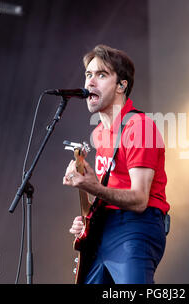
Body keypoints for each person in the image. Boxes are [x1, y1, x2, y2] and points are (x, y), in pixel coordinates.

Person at [63, 44, 170, 284]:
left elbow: (140, 199)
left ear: (122, 85)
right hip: (105, 230)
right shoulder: (100, 133)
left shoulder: (140, 127)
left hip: (135, 228)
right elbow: (112, 192)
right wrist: (89, 217)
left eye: (101, 75)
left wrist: (93, 187)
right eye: (88, 75)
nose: (90, 82)